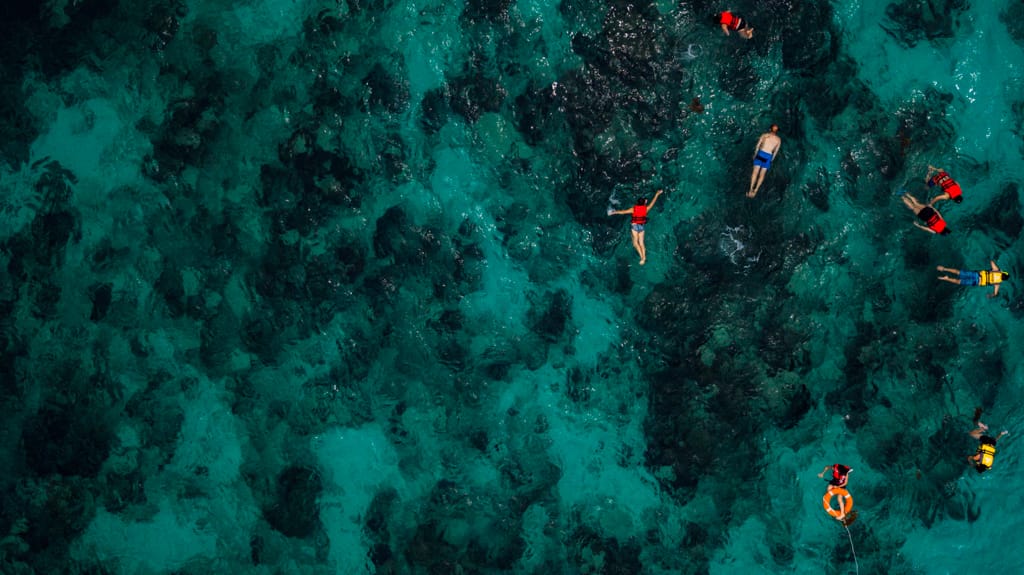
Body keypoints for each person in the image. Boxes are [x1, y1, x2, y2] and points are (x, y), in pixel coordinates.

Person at [608, 189, 664, 265]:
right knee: (641, 243)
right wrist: (657, 194)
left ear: (638, 203)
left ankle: (642, 257)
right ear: (644, 203)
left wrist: (614, 212)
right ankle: (643, 258)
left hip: (634, 227)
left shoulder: (633, 209)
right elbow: (652, 203)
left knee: (635, 243)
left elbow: (623, 212)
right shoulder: (646, 209)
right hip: (641, 227)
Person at [966, 408, 1009, 473]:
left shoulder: (989, 465)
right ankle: (983, 428)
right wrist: (971, 463)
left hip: (993, 443)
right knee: (971, 433)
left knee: (993, 442)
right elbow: (969, 457)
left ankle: (1001, 433)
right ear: (979, 465)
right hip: (986, 441)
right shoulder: (978, 459)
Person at [936, 261, 1009, 298]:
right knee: (959, 282)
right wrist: (990, 295)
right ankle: (946, 278)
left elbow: (991, 262)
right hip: (976, 282)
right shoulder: (997, 284)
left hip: (976, 274)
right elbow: (995, 294)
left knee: (958, 272)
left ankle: (944, 268)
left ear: (1003, 273)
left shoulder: (997, 270)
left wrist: (997, 267)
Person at [747, 124, 781, 198]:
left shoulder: (764, 135)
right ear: (777, 131)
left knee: (755, 172)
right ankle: (755, 191)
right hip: (768, 156)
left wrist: (755, 154)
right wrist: (771, 160)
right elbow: (775, 152)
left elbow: (757, 146)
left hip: (761, 153)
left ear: (770, 129)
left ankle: (750, 189)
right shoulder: (778, 140)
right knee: (762, 175)